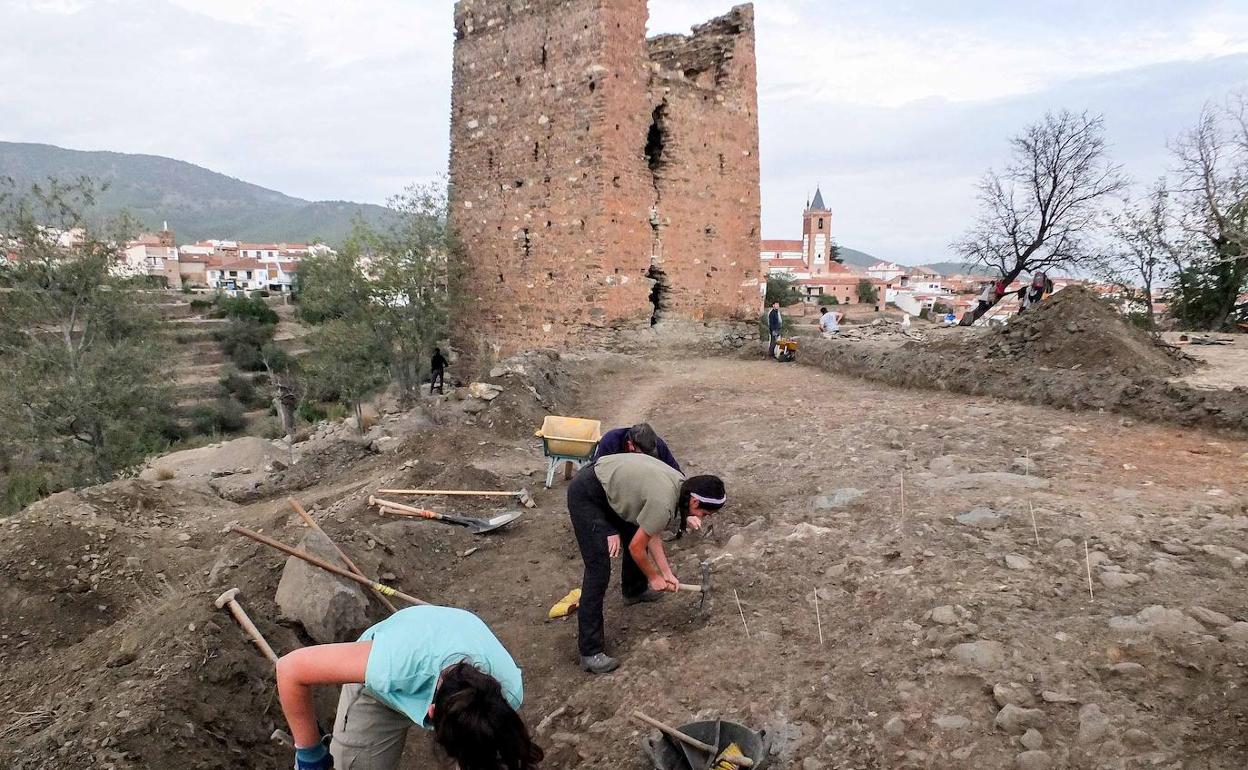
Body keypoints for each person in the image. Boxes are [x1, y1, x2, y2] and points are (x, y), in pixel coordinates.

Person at [276, 604, 544, 770]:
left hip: (441, 637)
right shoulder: (389, 665)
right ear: (430, 713)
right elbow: (290, 669)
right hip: (382, 690)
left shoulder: (506, 692)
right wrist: (309, 753)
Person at [567, 453, 726, 674]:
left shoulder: (680, 487)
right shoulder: (664, 502)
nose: (703, 517)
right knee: (598, 570)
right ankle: (590, 652)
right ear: (695, 501)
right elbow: (636, 548)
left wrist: (666, 573)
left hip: (608, 485)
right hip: (588, 493)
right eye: (704, 513)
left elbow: (653, 532)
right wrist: (654, 576)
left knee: (636, 528)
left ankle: (634, 591)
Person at [593, 422, 680, 471]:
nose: (645, 456)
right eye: (642, 454)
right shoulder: (610, 442)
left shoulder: (657, 444)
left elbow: (674, 469)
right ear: (630, 445)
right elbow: (597, 470)